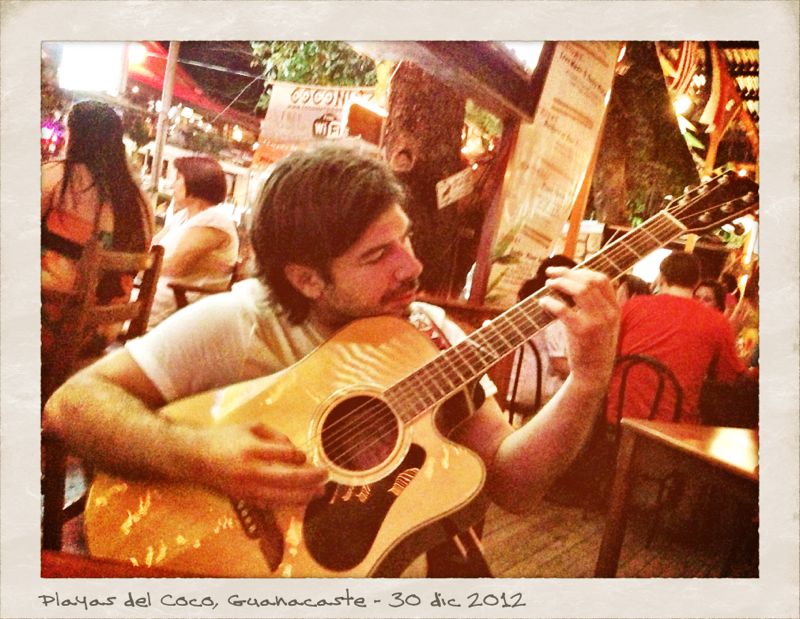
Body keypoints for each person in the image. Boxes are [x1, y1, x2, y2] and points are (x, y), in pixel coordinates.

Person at [43, 145, 619, 576]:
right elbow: (71, 405)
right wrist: (202, 455)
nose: (411, 267)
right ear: (307, 279)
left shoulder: (429, 333)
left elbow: (516, 486)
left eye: (405, 239)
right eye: (377, 255)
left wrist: (588, 377)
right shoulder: (239, 323)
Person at [41, 100, 153, 392]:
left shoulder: (58, 177)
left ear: (74, 135)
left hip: (51, 327)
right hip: (102, 333)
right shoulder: (140, 201)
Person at [607, 251, 745, 426]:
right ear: (696, 283)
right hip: (671, 429)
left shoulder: (632, 306)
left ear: (661, 278)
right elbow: (729, 378)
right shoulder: (717, 321)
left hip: (617, 419)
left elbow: (609, 355)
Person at [147, 156, 239, 327]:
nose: (172, 185)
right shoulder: (183, 217)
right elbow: (152, 247)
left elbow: (175, 266)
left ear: (196, 181)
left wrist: (137, 266)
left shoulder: (214, 220)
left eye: (178, 178)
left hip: (178, 307)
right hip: (154, 295)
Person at [508, 255, 576, 423]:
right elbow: (559, 363)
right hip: (535, 394)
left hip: (509, 386)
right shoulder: (555, 307)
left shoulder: (524, 305)